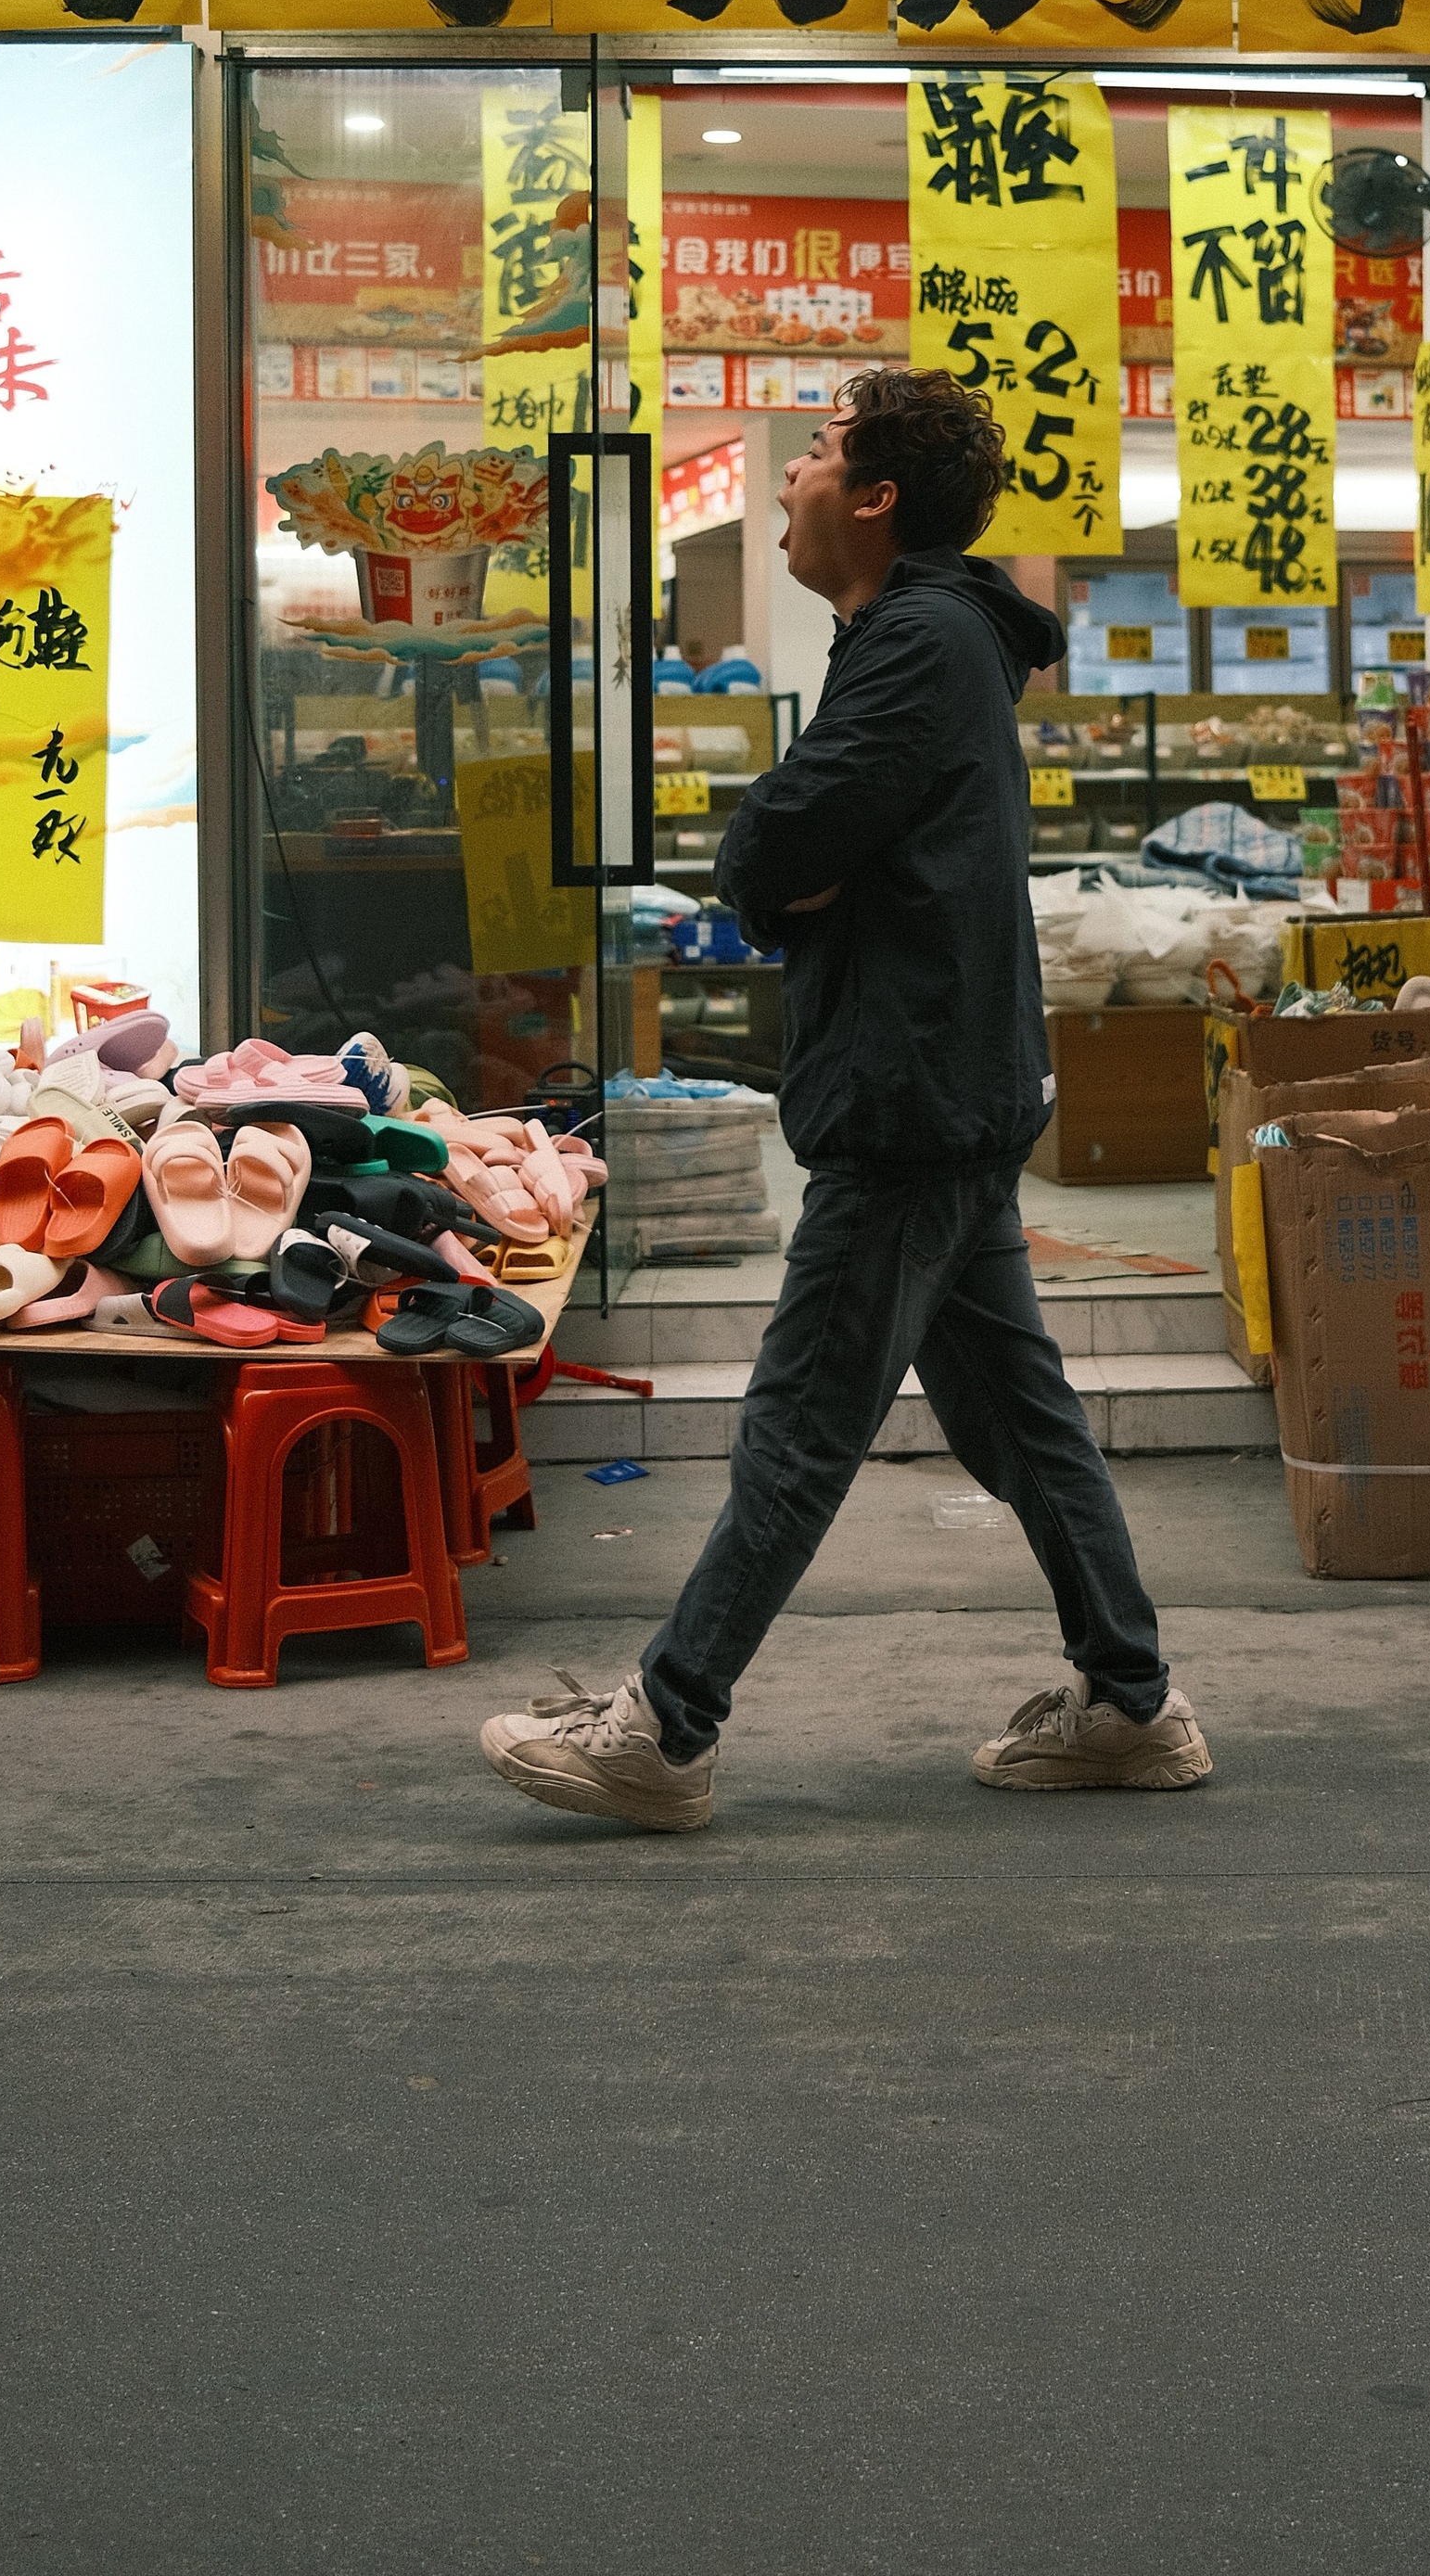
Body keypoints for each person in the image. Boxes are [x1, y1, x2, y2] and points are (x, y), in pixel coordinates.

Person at [479, 366, 1211, 1831]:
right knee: (1022, 1421)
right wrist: (807, 864)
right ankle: (1131, 1703)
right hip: (945, 1086)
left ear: (875, 498)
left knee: (802, 1422)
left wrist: (784, 867)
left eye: (814, 454)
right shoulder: (928, 641)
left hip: (906, 1098)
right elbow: (815, 845)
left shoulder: (918, 643)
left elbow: (777, 845)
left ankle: (666, 1732)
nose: (788, 478)